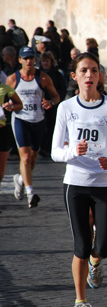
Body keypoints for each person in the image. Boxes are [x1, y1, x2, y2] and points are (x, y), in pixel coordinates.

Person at [51, 52, 107, 307]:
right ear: (74, 76)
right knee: (81, 245)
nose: (89, 75)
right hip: (75, 183)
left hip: (104, 183)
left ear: (100, 76)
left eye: (94, 71)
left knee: (105, 246)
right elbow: (54, 151)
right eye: (84, 70)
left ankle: (96, 263)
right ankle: (80, 302)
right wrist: (72, 151)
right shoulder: (66, 108)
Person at [6, 46, 59, 208]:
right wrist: (8, 105)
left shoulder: (43, 78)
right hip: (21, 120)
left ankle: (20, 179)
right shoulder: (12, 80)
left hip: (38, 120)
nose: (29, 61)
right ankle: (30, 193)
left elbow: (56, 96)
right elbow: (4, 99)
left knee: (33, 158)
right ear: (20, 60)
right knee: (26, 157)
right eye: (26, 58)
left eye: (31, 58)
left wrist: (50, 102)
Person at [0, 81, 23, 185]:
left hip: (3, 130)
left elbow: (20, 105)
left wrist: (11, 107)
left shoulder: (6, 89)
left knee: (0, 171)